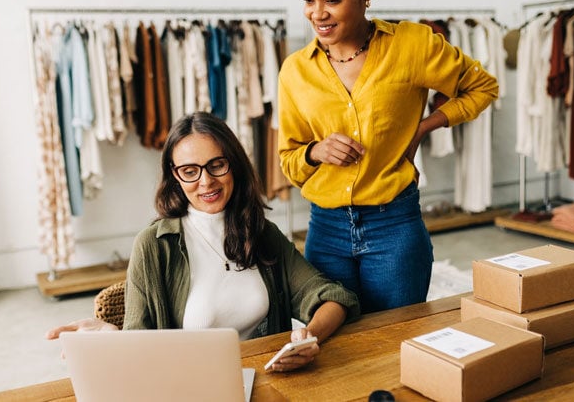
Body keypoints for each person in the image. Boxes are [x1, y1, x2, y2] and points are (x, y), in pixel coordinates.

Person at [278, 0, 499, 313]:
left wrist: (425, 127)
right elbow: (289, 161)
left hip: (394, 227)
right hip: (325, 232)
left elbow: (482, 87)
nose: (318, 13)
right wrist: (315, 151)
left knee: (396, 339)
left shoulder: (412, 46)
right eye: (308, 0)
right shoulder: (295, 71)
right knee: (336, 348)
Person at [48, 112, 359, 373]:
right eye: (189, 171)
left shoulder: (261, 232)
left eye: (216, 165)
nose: (206, 181)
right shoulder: (154, 246)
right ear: (174, 176)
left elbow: (332, 297)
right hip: (192, 386)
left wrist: (308, 338)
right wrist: (113, 335)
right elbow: (139, 344)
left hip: (268, 380)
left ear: (233, 164)